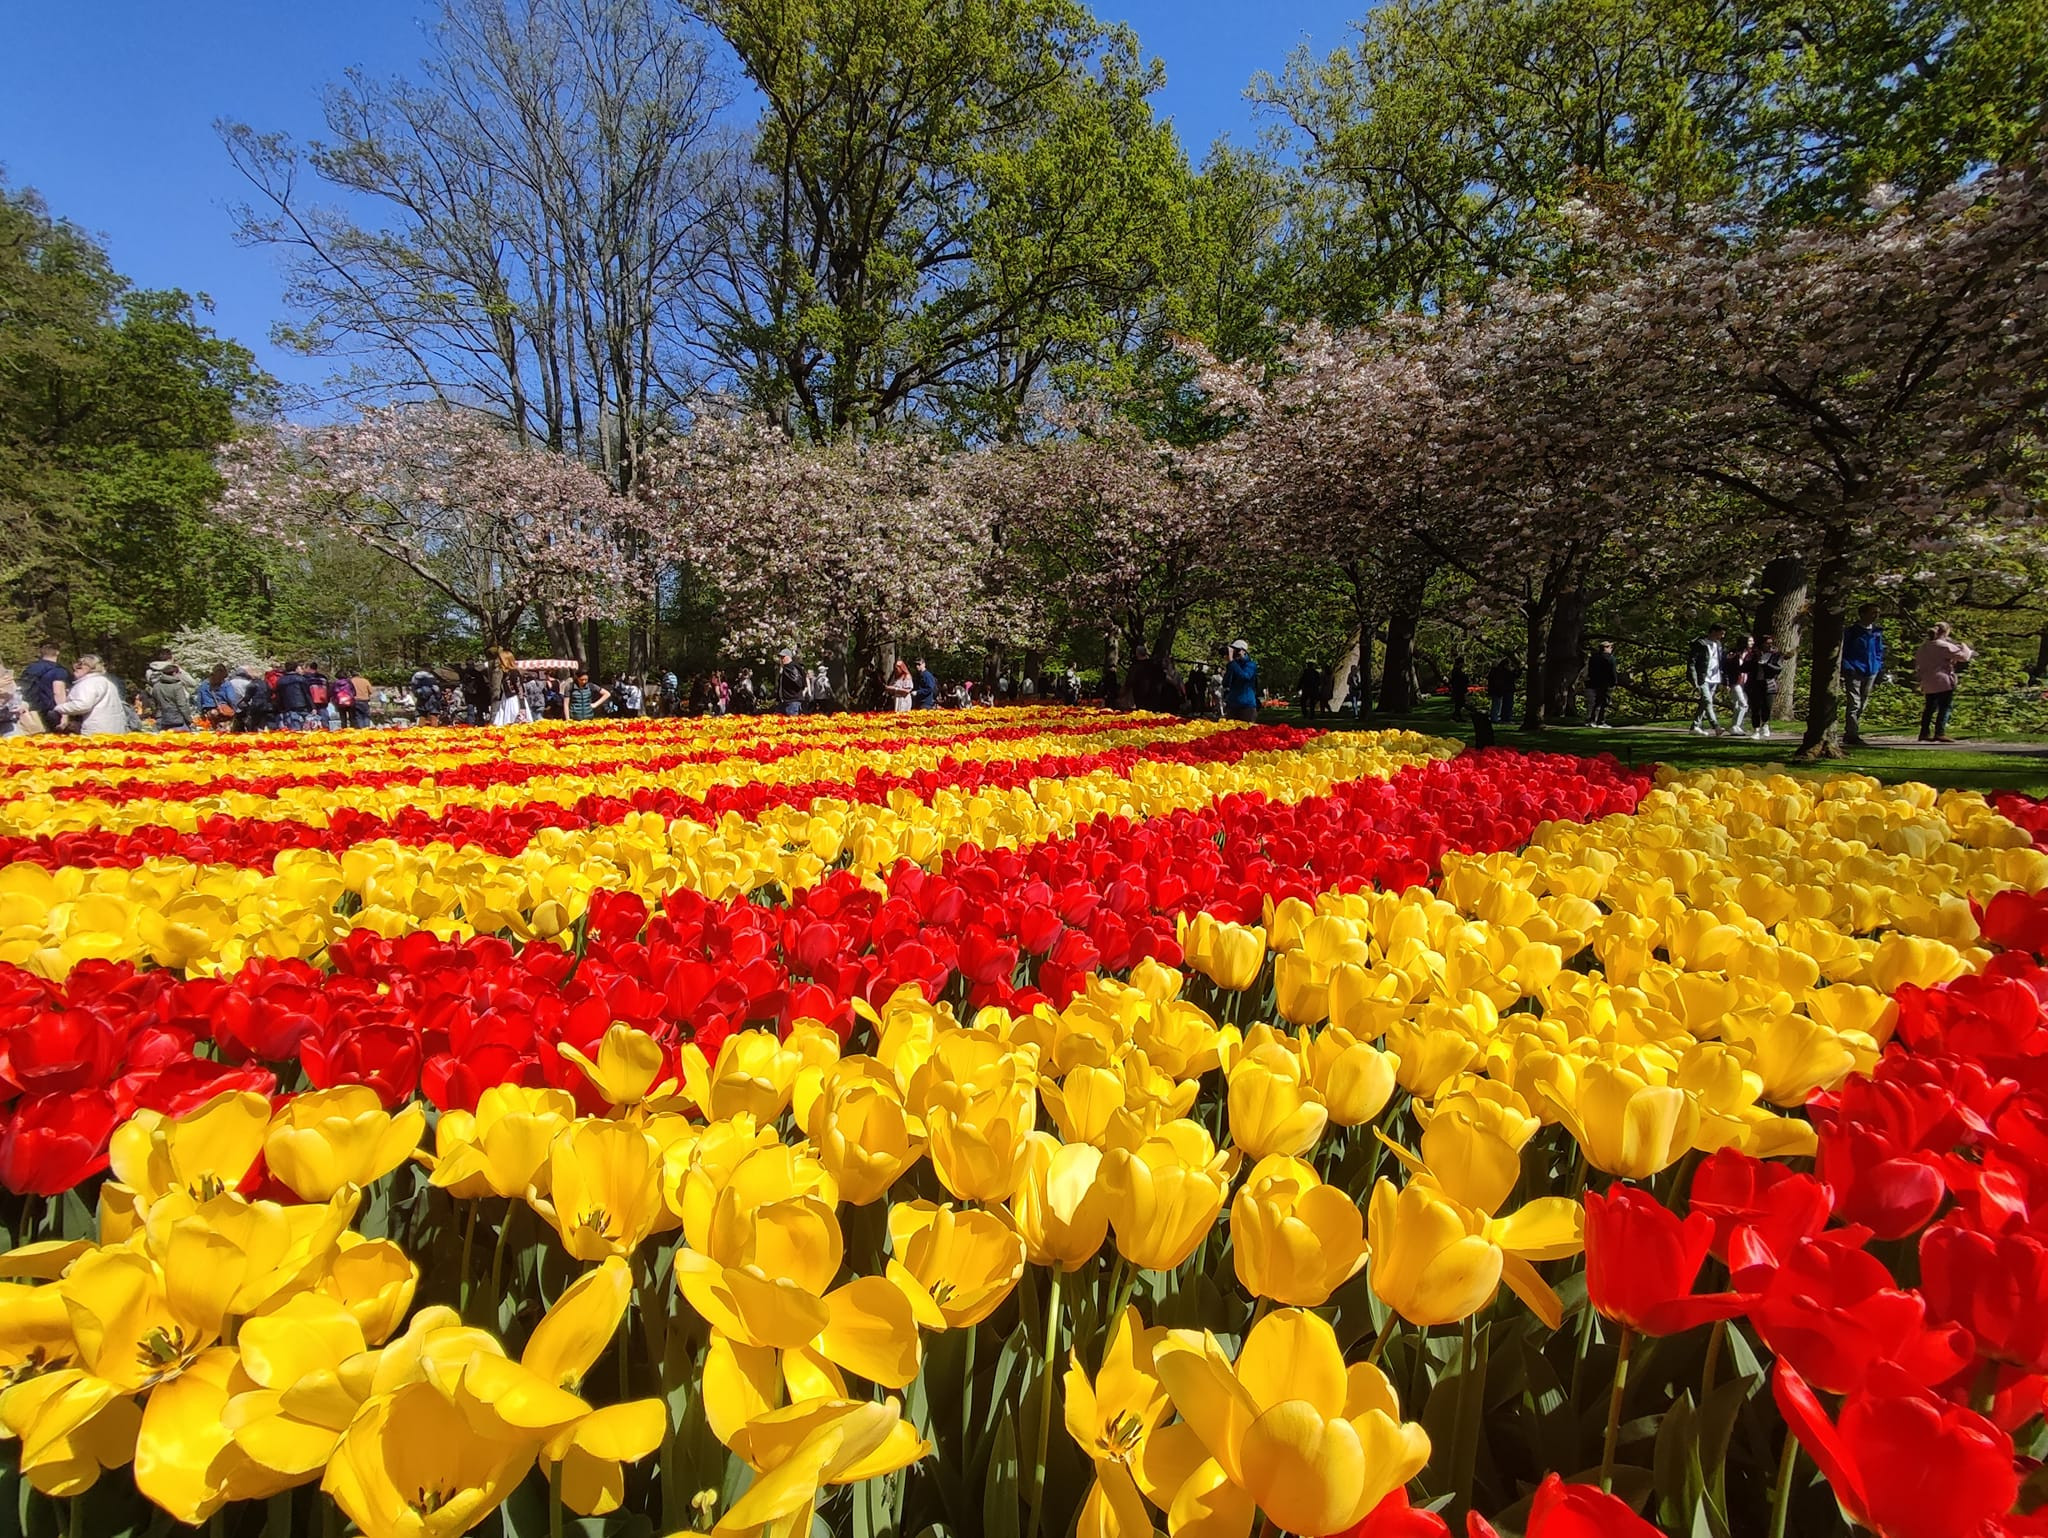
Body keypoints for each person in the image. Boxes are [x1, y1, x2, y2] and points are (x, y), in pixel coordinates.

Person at [1914, 623, 1974, 743]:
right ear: (1945, 632)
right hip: (1942, 680)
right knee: (1945, 707)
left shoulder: (1924, 646)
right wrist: (1965, 646)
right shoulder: (1943, 646)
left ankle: (1924, 732)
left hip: (1927, 680)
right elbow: (1964, 657)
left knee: (1929, 708)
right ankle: (1940, 733)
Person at [1841, 604, 1886, 746]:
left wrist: (1878, 667)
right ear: (1862, 614)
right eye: (1873, 612)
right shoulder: (1851, 632)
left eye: (1877, 613)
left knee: (1863, 702)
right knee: (1854, 702)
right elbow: (1843, 651)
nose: (1876, 615)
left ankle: (1852, 730)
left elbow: (1879, 651)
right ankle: (1852, 734)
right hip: (1854, 670)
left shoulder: (1876, 632)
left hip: (1871, 670)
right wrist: (1848, 667)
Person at [55, 654, 127, 734]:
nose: (75, 667)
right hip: (113, 729)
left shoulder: (89, 683)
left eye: (81, 665)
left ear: (92, 668)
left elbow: (82, 705)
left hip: (97, 732)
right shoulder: (105, 681)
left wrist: (59, 708)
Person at [20, 642, 70, 734]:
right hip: (50, 713)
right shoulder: (59, 670)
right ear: (57, 652)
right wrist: (65, 715)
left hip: (30, 711)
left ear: (41, 652)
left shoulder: (30, 668)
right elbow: (58, 693)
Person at [1687, 625, 1727, 735]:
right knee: (1708, 701)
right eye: (1721, 633)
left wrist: (1723, 678)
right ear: (1713, 631)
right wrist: (1694, 679)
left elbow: (1720, 662)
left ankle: (1695, 726)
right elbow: (1692, 663)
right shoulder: (1701, 644)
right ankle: (1716, 726)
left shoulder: (1718, 644)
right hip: (1703, 678)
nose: (1722, 636)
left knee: (1704, 703)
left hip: (1715, 678)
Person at [144, 651, 195, 731]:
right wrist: (189, 720)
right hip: (178, 716)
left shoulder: (150, 672)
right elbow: (192, 683)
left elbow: (154, 700)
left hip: (161, 715)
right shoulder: (175, 674)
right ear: (170, 658)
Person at [1745, 635, 1783, 738]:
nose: (1769, 645)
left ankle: (1765, 725)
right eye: (1767, 643)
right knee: (1755, 708)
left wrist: (1766, 665)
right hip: (1755, 683)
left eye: (1771, 643)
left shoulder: (1775, 654)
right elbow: (1744, 667)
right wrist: (1754, 662)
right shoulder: (1753, 654)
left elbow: (1778, 668)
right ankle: (1756, 730)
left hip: (1769, 683)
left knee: (1767, 707)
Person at [1222, 640, 1259, 723]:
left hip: (1246, 705)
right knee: (1229, 734)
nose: (1235, 653)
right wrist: (1230, 665)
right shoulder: (1233, 665)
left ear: (1244, 651)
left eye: (1237, 650)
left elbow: (1244, 677)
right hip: (1232, 705)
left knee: (1246, 734)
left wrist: (1232, 662)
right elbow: (1225, 683)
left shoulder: (1251, 665)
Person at [1727, 634, 1756, 736]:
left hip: (1746, 683)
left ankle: (1737, 726)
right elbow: (1727, 668)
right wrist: (1726, 683)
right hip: (1735, 682)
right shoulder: (1734, 653)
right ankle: (1735, 726)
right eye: (1750, 641)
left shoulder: (1752, 654)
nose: (1752, 643)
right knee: (1743, 704)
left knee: (1738, 706)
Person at [1585, 642, 1618, 726]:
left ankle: (1592, 720)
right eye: (1610, 647)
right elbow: (1613, 672)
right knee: (1604, 702)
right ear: (1606, 648)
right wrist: (1614, 682)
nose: (1611, 649)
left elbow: (1590, 670)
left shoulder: (1593, 658)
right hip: (1605, 683)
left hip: (1593, 682)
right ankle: (1601, 721)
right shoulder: (1611, 659)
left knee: (1595, 702)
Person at [274, 661, 315, 730]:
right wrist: (313, 707)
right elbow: (307, 694)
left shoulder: (281, 680)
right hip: (303, 707)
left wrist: (280, 709)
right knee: (307, 730)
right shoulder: (301, 679)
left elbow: (279, 697)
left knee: (295, 731)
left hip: (289, 708)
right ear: (296, 668)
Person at [231, 666, 272, 732]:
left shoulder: (252, 685)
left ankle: (254, 736)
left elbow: (247, 697)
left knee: (253, 723)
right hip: (266, 705)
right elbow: (270, 693)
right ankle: (261, 735)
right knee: (262, 723)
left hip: (256, 706)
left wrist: (242, 703)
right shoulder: (265, 683)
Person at [196, 665, 236, 730]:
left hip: (209, 711)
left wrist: (201, 713)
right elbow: (231, 698)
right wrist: (235, 709)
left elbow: (199, 699)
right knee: (225, 731)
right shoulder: (226, 684)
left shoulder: (204, 684)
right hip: (223, 711)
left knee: (215, 731)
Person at [1486, 657, 1519, 724]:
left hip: (1500, 690)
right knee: (1499, 704)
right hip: (1501, 690)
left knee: (1498, 704)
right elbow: (1512, 676)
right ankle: (1497, 718)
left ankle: (1497, 717)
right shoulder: (1501, 671)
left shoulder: (1498, 671)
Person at [776, 650, 806, 716]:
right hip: (784, 701)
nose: (781, 659)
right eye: (780, 657)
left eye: (783, 657)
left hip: (792, 701)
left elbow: (798, 682)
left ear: (788, 657)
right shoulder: (785, 668)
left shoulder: (792, 667)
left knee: (792, 723)